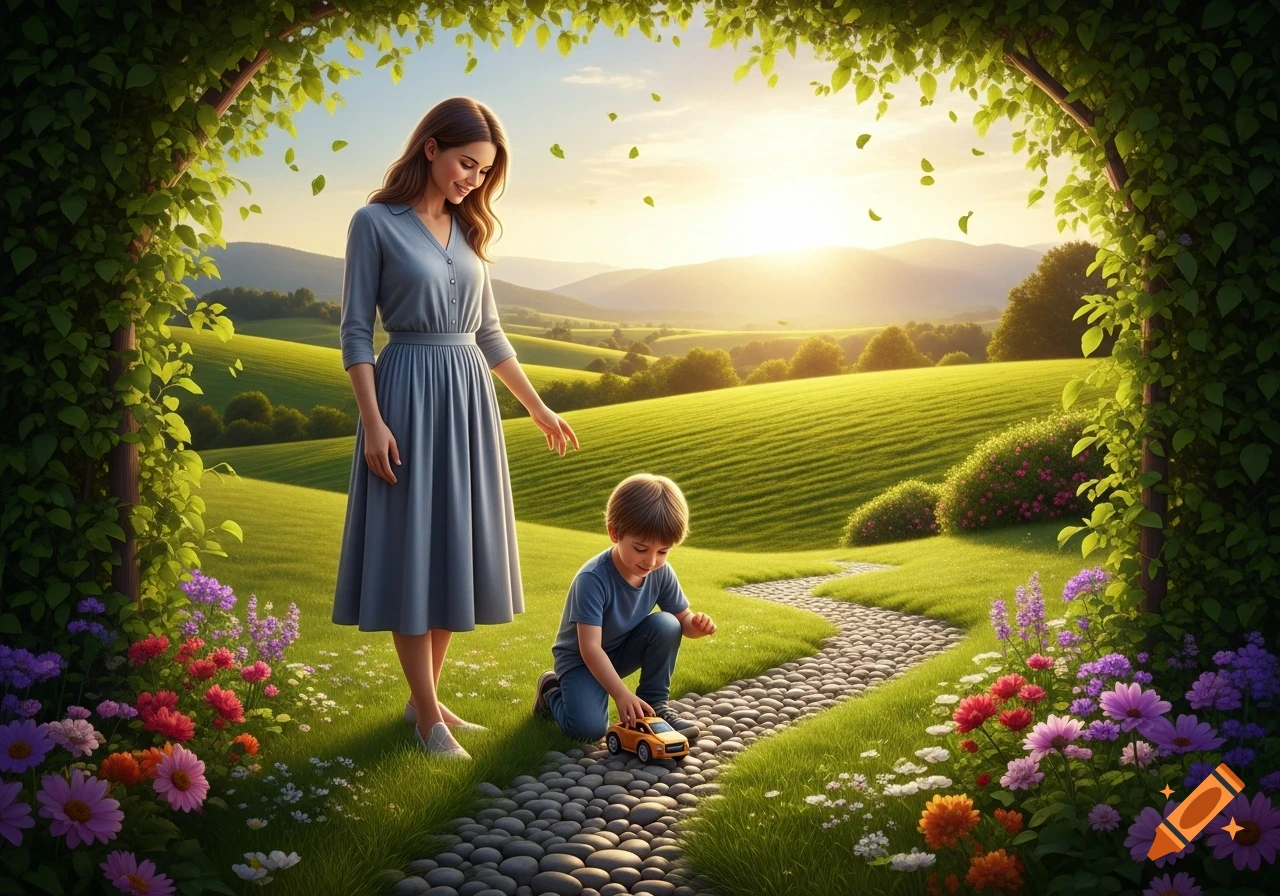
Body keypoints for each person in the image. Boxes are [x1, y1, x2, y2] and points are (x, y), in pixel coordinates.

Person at [332, 97, 579, 760]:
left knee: (448, 554)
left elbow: (490, 332)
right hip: (406, 392)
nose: (473, 178)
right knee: (413, 552)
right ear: (431, 147)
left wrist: (535, 406)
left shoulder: (471, 231)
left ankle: (427, 703)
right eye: (467, 163)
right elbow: (356, 331)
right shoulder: (373, 223)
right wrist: (374, 421)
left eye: (485, 171)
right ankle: (426, 722)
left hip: (469, 398)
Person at [533, 474, 717, 742]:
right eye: (641, 548)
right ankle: (551, 691)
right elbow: (590, 648)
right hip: (582, 662)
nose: (652, 560)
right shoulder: (592, 579)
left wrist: (697, 626)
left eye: (663, 551)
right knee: (588, 731)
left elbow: (683, 622)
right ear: (614, 533)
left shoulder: (660, 572)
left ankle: (655, 705)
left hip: (621, 651)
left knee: (667, 623)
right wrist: (620, 694)